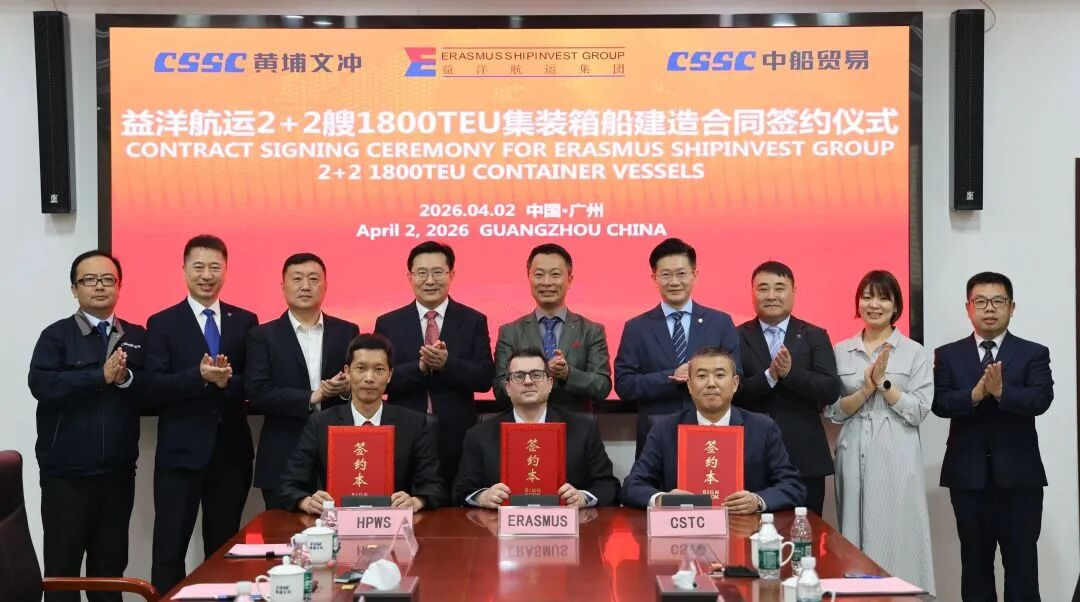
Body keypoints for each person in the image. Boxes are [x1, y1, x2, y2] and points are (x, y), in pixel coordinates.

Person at [28, 251, 146, 602]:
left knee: (109, 574)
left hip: (117, 475)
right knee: (62, 573)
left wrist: (126, 379)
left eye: (108, 279)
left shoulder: (136, 335)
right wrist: (99, 376)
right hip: (66, 478)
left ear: (119, 286)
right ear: (74, 289)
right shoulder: (56, 336)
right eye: (89, 280)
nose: (99, 286)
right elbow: (42, 385)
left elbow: (152, 389)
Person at [145, 235, 259, 594]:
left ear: (225, 270)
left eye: (214, 267)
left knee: (224, 549)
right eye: (198, 267)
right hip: (180, 454)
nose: (206, 275)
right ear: (184, 270)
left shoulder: (245, 321)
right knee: (169, 549)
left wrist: (227, 382)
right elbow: (153, 386)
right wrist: (198, 376)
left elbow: (255, 383)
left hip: (230, 453)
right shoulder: (162, 322)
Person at [932, 272, 1053, 602]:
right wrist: (972, 396)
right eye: (981, 301)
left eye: (998, 301)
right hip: (968, 479)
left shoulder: (1033, 353)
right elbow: (939, 402)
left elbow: (1041, 399)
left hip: (1020, 480)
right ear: (968, 308)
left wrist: (1001, 393)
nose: (989, 308)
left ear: (1011, 307)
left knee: (1022, 569)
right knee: (975, 570)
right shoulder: (948, 354)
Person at [825, 270, 934, 594]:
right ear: (858, 303)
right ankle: (860, 594)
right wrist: (865, 390)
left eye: (883, 298)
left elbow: (919, 410)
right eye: (867, 297)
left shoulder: (914, 351)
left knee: (898, 528)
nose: (874, 304)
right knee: (854, 528)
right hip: (853, 443)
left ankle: (900, 594)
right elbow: (832, 411)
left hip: (896, 445)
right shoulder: (841, 350)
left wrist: (883, 384)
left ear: (896, 305)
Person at [278, 333, 445, 513]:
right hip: (338, 522)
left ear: (390, 375)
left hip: (393, 523)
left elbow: (434, 486)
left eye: (379, 369)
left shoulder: (413, 423)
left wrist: (416, 501)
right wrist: (307, 502)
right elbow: (288, 486)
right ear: (347, 372)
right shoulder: (321, 423)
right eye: (361, 368)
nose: (369, 378)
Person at [621, 347, 804, 511]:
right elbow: (632, 486)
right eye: (701, 376)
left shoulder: (763, 428)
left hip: (745, 528)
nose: (711, 383)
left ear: (735, 383)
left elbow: (792, 486)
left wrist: (757, 500)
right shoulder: (665, 429)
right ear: (689, 385)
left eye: (720, 375)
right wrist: (663, 500)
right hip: (685, 529)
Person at [373, 241, 494, 489]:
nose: (430, 280)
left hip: (457, 433)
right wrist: (419, 368)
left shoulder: (473, 320)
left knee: (457, 504)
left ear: (451, 275)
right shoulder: (388, 323)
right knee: (406, 501)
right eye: (422, 273)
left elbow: (484, 378)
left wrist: (447, 364)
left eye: (438, 272)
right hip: (404, 433)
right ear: (409, 276)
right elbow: (379, 380)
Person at [246, 253, 359, 509]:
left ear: (326, 286)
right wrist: (312, 397)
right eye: (297, 279)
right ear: (283, 286)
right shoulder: (262, 336)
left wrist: (345, 390)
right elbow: (257, 392)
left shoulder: (347, 331)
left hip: (337, 454)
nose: (305, 286)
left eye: (313, 279)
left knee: (340, 531)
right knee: (282, 531)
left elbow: (360, 382)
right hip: (282, 455)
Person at [614, 238, 741, 456]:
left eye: (681, 274)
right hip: (656, 436)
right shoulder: (636, 327)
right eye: (666, 275)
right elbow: (624, 385)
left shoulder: (720, 323)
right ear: (654, 278)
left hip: (712, 433)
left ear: (695, 275)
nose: (674, 282)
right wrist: (670, 376)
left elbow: (738, 377)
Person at [732, 261, 840, 516]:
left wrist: (791, 374)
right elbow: (731, 391)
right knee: (749, 534)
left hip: (805, 458)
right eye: (763, 288)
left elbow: (830, 389)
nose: (771, 295)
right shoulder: (735, 336)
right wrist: (769, 376)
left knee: (805, 533)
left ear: (793, 291)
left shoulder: (814, 335)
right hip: (750, 455)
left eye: (779, 288)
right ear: (752, 293)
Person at [453, 347, 620, 507]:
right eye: (519, 376)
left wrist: (583, 498)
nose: (528, 381)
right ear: (508, 388)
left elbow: (609, 486)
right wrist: (482, 497)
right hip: (500, 524)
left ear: (550, 384)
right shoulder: (479, 435)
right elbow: (460, 490)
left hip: (564, 524)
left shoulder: (583, 430)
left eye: (536, 375)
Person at [493, 243, 611, 412]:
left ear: (569, 280)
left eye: (555, 274)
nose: (546, 282)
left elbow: (602, 386)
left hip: (576, 424)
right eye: (539, 275)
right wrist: (536, 375)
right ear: (529, 278)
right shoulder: (510, 332)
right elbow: (499, 388)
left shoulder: (591, 331)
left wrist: (568, 374)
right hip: (526, 423)